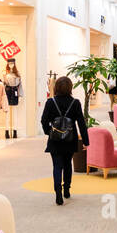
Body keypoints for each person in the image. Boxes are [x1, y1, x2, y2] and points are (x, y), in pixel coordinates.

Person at [42, 75, 89, 206]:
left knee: (57, 165)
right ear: (70, 88)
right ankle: (67, 190)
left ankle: (58, 192)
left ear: (56, 87)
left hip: (55, 140)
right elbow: (81, 123)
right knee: (68, 164)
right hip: (70, 139)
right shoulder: (75, 103)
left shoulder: (50, 102)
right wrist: (85, 141)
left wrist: (49, 132)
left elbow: (44, 120)